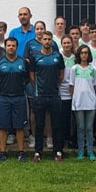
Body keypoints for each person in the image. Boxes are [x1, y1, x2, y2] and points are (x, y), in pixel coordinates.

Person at [29, 32, 66, 163]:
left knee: (57, 125)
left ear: (52, 41)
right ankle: (38, 152)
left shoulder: (58, 56)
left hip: (55, 95)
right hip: (40, 96)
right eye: (45, 39)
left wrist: (54, 85)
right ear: (41, 41)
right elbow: (32, 76)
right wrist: (40, 87)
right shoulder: (35, 56)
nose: (47, 41)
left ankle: (58, 152)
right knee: (39, 125)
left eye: (49, 39)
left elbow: (61, 75)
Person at [0, 38, 29, 162]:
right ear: (5, 46)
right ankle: (3, 153)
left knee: (20, 126)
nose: (11, 48)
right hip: (3, 97)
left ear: (16, 47)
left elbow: (27, 79)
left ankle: (21, 152)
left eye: (13, 46)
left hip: (19, 97)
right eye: (8, 45)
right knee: (3, 127)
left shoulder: (23, 62)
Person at [70, 45, 96, 161]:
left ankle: (90, 151)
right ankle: (81, 151)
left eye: (86, 53)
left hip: (91, 102)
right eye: (82, 53)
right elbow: (72, 85)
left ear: (89, 55)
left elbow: (95, 85)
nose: (84, 55)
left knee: (89, 128)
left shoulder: (93, 69)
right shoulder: (74, 68)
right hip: (78, 102)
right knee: (80, 127)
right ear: (79, 55)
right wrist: (74, 99)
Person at [58, 35, 76, 157]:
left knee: (72, 118)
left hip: (74, 91)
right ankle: (62, 141)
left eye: (68, 43)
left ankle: (72, 140)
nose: (66, 45)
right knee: (62, 118)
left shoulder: (76, 57)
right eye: (64, 43)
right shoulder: (59, 56)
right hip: (61, 90)